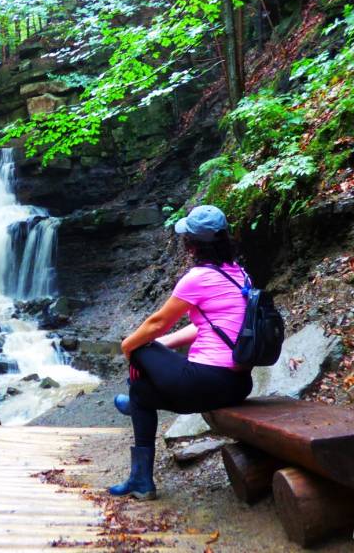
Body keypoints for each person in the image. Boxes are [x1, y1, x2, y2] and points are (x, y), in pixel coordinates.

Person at [108, 205, 253, 500]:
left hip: (203, 383)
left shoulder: (197, 277)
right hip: (239, 385)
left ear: (191, 244)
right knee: (142, 393)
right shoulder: (240, 275)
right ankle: (141, 481)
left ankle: (140, 472)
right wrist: (159, 347)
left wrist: (129, 346)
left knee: (138, 347)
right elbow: (207, 328)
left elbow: (157, 323)